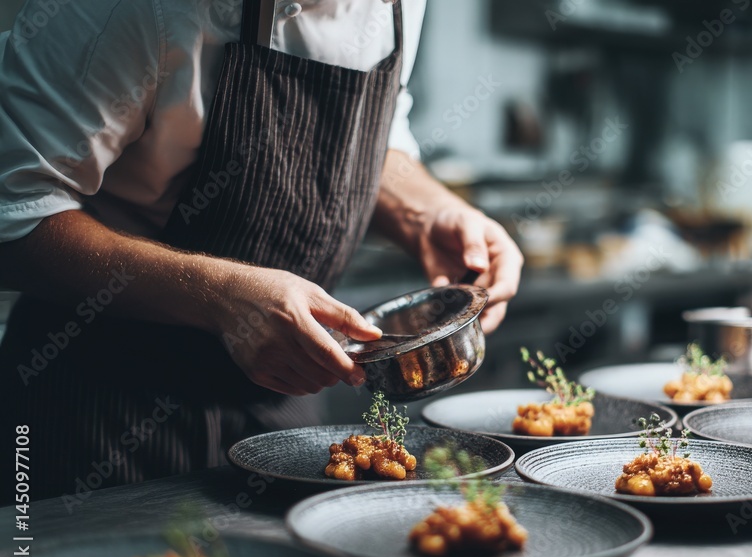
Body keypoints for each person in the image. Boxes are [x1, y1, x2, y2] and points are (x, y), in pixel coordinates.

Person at [0, 0, 523, 499]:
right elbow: (14, 210)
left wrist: (429, 211)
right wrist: (221, 296)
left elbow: (377, 140)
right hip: (99, 409)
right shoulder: (132, 10)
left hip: (280, 401)